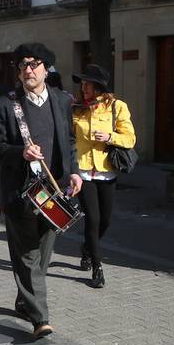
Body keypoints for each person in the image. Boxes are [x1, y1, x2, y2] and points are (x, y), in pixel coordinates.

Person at [0, 43, 82, 338]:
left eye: (34, 65)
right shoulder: (6, 104)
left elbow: (68, 140)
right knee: (28, 254)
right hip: (21, 192)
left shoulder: (60, 100)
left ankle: (23, 299)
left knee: (43, 254)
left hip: (53, 192)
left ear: (45, 69)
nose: (28, 70)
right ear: (18, 73)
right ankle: (40, 317)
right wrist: (21, 153)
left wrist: (75, 172)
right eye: (22, 66)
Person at [72, 64, 136, 288]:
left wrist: (110, 136)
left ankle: (88, 248)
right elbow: (69, 138)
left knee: (106, 220)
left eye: (88, 83)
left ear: (99, 86)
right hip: (83, 172)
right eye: (82, 83)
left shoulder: (117, 107)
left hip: (107, 171)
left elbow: (130, 139)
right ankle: (97, 267)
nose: (84, 87)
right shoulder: (76, 108)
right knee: (93, 219)